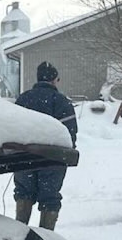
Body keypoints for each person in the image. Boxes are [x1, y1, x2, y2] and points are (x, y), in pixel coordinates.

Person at [14, 61, 77, 230]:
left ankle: (19, 233)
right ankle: (46, 237)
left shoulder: (23, 99)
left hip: (23, 157)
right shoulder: (62, 102)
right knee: (50, 198)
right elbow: (69, 134)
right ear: (54, 79)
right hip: (53, 158)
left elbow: (13, 127)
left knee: (23, 193)